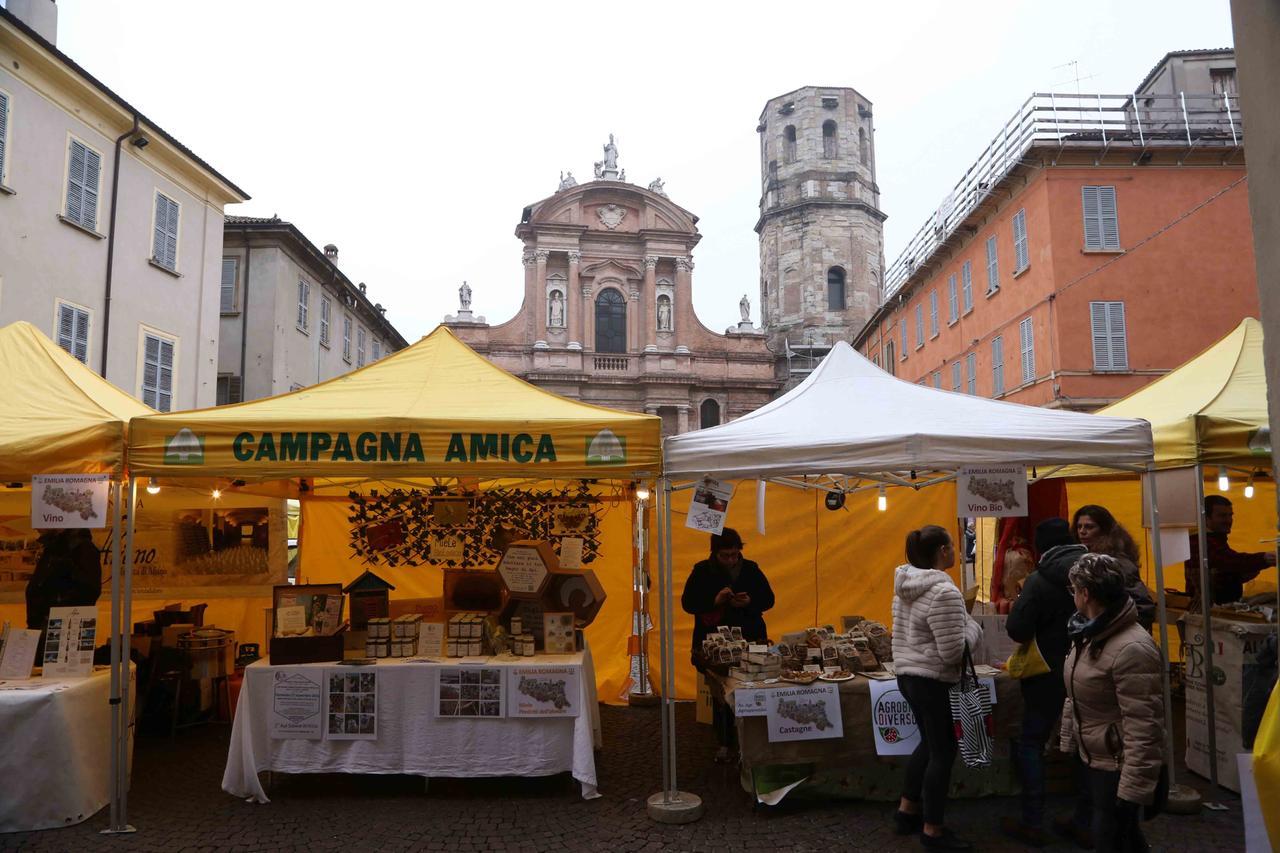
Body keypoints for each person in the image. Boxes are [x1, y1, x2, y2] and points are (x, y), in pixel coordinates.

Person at [1058, 553, 1164, 853]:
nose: (1072, 596)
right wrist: (1069, 738)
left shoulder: (1130, 648)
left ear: (1085, 593)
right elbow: (1076, 692)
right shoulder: (1088, 632)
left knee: (1112, 837)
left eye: (1073, 590)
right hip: (1097, 756)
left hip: (1116, 764)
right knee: (1122, 837)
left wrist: (1133, 787)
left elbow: (1144, 724)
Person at [892, 525, 983, 850]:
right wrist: (973, 628)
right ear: (943, 551)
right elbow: (953, 653)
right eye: (952, 545)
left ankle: (907, 811)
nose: (957, 549)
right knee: (942, 752)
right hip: (932, 680)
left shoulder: (906, 585)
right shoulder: (944, 592)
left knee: (928, 746)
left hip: (909, 676)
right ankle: (932, 829)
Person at [1002, 518, 1085, 846]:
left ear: (1041, 547)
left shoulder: (1039, 580)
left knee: (1032, 741)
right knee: (1088, 744)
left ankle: (1033, 820)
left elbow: (1017, 629)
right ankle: (1085, 819)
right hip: (1092, 668)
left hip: (1048, 672)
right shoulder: (1096, 571)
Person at [681, 527, 774, 762]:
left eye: (734, 554)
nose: (731, 559)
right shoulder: (702, 571)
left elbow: (769, 599)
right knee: (721, 696)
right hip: (715, 646)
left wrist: (750, 601)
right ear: (715, 553)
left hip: (750, 638)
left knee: (751, 691)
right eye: (725, 555)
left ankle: (751, 742)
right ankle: (723, 742)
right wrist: (715, 600)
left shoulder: (751, 569)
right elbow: (688, 603)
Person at [1072, 505, 1156, 630]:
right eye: (1079, 526)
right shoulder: (1086, 560)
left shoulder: (1117, 563)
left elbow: (1144, 606)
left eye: (1089, 526)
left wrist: (1120, 633)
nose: (1082, 531)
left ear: (1104, 530)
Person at [1186, 494, 1276, 606]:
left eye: (1230, 515)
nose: (1229, 520)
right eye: (1222, 516)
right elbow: (1228, 560)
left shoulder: (1215, 538)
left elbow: (1222, 570)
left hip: (1219, 609)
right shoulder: (1199, 541)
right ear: (1206, 518)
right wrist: (1265, 558)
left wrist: (1240, 574)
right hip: (1205, 612)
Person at [25, 529, 102, 656]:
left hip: (62, 634)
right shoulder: (53, 548)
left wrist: (54, 614)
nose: (34, 524)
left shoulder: (79, 548)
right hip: (46, 632)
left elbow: (88, 591)